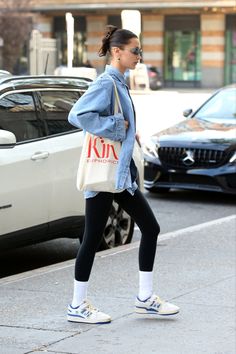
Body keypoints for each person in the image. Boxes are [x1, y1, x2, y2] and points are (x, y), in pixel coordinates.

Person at [67, 25, 180, 324]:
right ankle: (77, 306)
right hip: (105, 174)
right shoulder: (106, 83)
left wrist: (128, 132)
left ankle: (144, 298)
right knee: (91, 237)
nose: (140, 56)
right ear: (117, 51)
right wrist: (117, 127)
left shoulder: (120, 83)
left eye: (140, 51)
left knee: (149, 228)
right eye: (135, 50)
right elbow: (77, 115)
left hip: (119, 175)